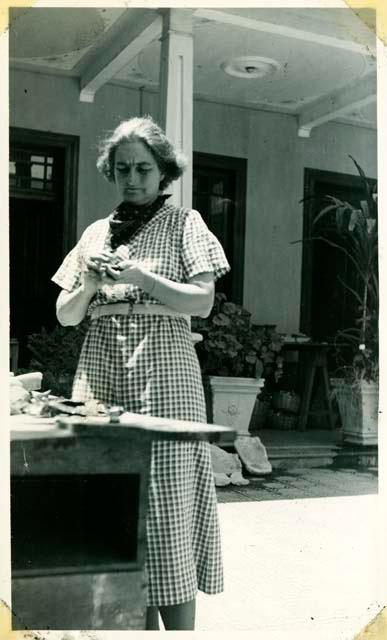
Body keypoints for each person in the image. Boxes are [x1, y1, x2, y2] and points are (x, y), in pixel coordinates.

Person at [52, 115, 230, 631]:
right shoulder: (94, 234)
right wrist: (88, 280)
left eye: (144, 169)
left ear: (164, 173)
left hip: (166, 369)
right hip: (102, 371)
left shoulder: (185, 224)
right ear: (112, 171)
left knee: (167, 501)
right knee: (111, 502)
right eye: (123, 168)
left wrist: (137, 273)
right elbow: (66, 315)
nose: (133, 179)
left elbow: (201, 302)